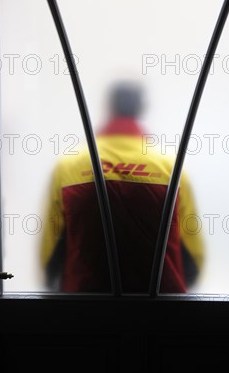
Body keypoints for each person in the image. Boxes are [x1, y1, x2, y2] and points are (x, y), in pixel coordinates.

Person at [40, 81, 204, 293]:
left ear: (109, 107)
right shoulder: (171, 168)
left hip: (83, 309)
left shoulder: (68, 166)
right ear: (141, 109)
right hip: (162, 312)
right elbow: (193, 258)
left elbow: (50, 255)